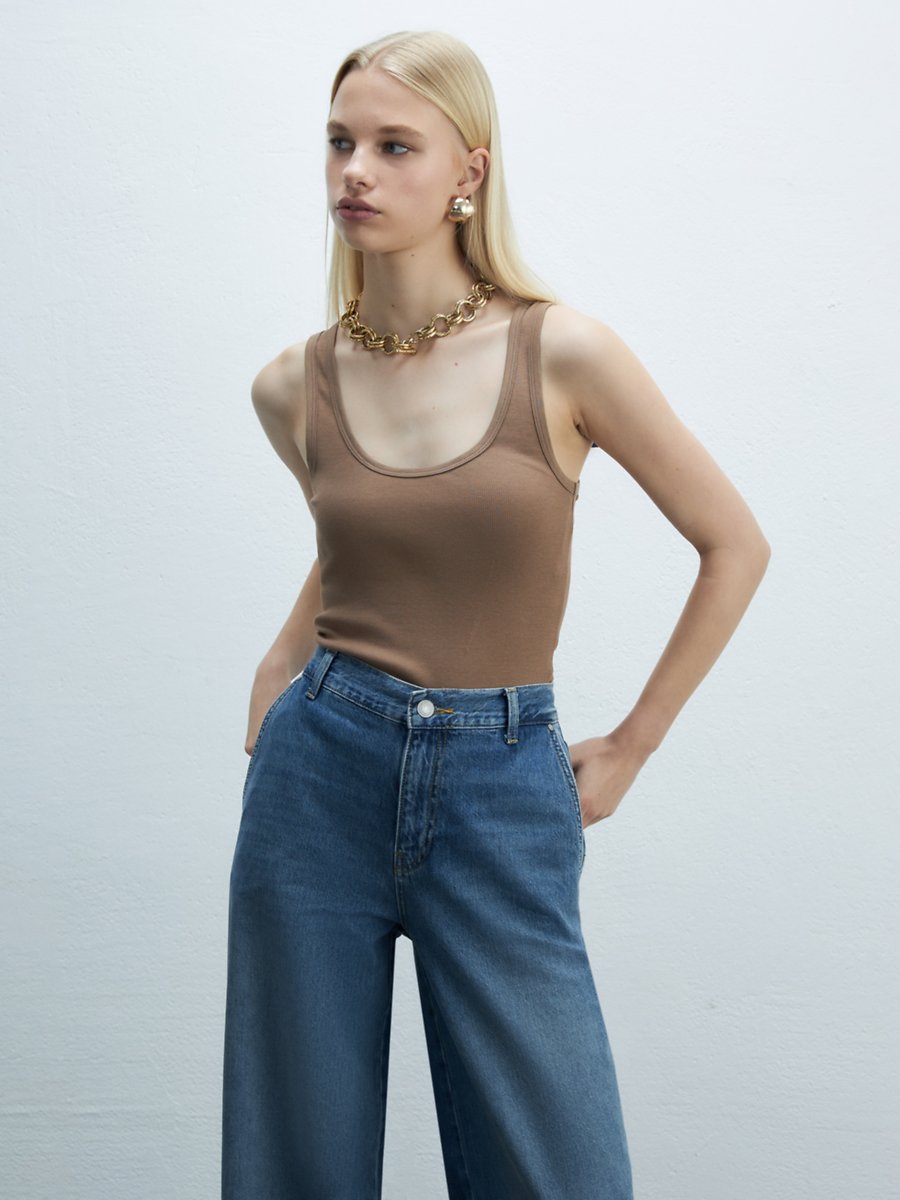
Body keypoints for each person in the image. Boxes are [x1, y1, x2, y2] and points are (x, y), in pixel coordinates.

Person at [221, 29, 771, 1200]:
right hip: (318, 773)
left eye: (394, 146)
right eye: (339, 142)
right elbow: (373, 540)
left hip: (502, 780)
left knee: (560, 1170)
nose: (354, 172)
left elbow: (735, 545)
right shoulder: (292, 386)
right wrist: (280, 657)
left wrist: (633, 743)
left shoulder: (562, 352)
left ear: (468, 171)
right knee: (296, 1166)